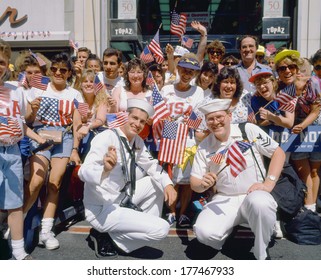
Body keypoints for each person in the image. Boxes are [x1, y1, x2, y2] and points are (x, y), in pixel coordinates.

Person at [78, 98, 177, 257]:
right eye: (134, 118)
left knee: (156, 182)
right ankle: (105, 234)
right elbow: (83, 172)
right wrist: (104, 170)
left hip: (121, 199)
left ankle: (115, 235)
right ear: (126, 116)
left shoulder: (137, 141)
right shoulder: (107, 137)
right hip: (102, 208)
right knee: (161, 229)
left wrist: (168, 185)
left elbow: (152, 166)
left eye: (142, 121)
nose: (137, 124)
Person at [191, 99, 286, 260]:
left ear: (229, 116)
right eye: (210, 119)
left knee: (261, 204)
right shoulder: (204, 146)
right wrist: (202, 184)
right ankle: (230, 230)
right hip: (224, 199)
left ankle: (261, 252)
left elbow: (278, 153)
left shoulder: (247, 130)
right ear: (206, 122)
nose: (216, 122)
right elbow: (195, 182)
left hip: (253, 194)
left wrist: (268, 183)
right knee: (203, 233)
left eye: (219, 117)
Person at [23, 52, 83, 250]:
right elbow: (28, 120)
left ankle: (46, 231)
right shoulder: (38, 88)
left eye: (63, 70)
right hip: (41, 135)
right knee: (36, 181)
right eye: (54, 68)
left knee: (54, 183)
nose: (58, 72)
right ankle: (17, 219)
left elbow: (76, 124)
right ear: (49, 71)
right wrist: (32, 108)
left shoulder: (74, 94)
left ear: (69, 73)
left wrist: (75, 148)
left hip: (64, 137)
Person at [0, 39, 46, 260]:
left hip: (13, 152)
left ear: (7, 63)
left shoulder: (15, 91)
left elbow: (22, 124)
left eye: (1, 61)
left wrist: (37, 136)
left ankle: (18, 251)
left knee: (14, 203)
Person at [275, 48, 321, 212]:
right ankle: (306, 206)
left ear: (296, 68)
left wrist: (304, 124)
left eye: (291, 67)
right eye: (282, 68)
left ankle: (311, 208)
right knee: (302, 171)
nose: (287, 71)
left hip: (313, 127)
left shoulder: (312, 83)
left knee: (315, 171)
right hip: (295, 130)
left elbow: (316, 110)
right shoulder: (280, 88)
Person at [161, 54, 203, 227]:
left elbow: (200, 117)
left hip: (188, 137)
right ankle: (171, 212)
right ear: (178, 69)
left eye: (191, 72)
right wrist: (165, 119)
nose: (187, 75)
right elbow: (159, 112)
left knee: (186, 180)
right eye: (185, 70)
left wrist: (191, 121)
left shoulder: (198, 91)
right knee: (172, 178)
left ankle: (183, 213)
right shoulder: (167, 89)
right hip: (170, 134)